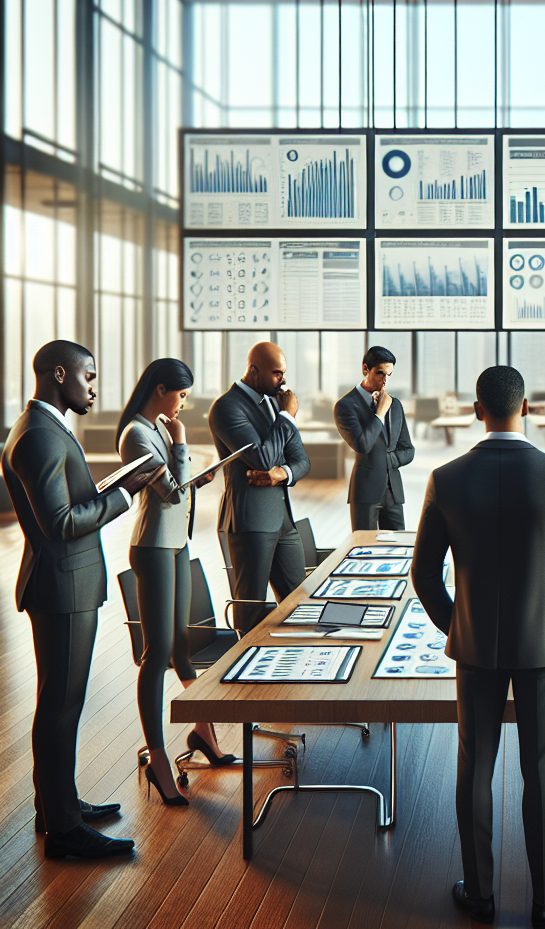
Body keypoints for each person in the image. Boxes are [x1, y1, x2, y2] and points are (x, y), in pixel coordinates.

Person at [412, 366, 545, 928]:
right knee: (543, 771)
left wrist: (457, 626)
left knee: (475, 766)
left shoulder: (446, 477)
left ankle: (480, 893)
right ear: (528, 409)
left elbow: (424, 575)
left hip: (473, 651)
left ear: (475, 410)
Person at [1, 340, 162, 859]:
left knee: (61, 702)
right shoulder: (40, 436)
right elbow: (61, 523)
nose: (94, 387)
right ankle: (64, 831)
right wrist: (124, 493)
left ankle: (57, 804)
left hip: (62, 581)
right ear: (59, 374)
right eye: (88, 377)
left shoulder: (41, 428)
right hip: (62, 583)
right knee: (60, 704)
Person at [117, 359, 234, 807]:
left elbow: (178, 486)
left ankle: (203, 730)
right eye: (181, 395)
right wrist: (183, 446)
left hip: (176, 543)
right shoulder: (137, 434)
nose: (183, 404)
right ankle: (159, 758)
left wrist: (196, 476)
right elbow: (168, 491)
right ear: (160, 388)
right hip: (153, 548)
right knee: (158, 651)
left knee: (183, 642)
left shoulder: (159, 430)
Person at [208, 342, 310, 633]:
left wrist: (283, 473)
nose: (283, 380)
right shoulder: (226, 407)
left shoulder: (272, 403)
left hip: (283, 521)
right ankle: (246, 678)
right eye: (277, 373)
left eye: (284, 373)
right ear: (253, 371)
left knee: (299, 604)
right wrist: (287, 416)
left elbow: (302, 460)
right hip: (250, 521)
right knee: (250, 612)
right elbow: (261, 458)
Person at [334, 345, 415, 531]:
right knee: (364, 548)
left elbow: (408, 450)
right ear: (365, 369)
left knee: (398, 548)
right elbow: (362, 444)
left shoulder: (395, 405)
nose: (385, 380)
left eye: (389, 374)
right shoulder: (345, 406)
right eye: (380, 373)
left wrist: (388, 460)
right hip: (366, 492)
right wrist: (379, 414)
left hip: (393, 493)